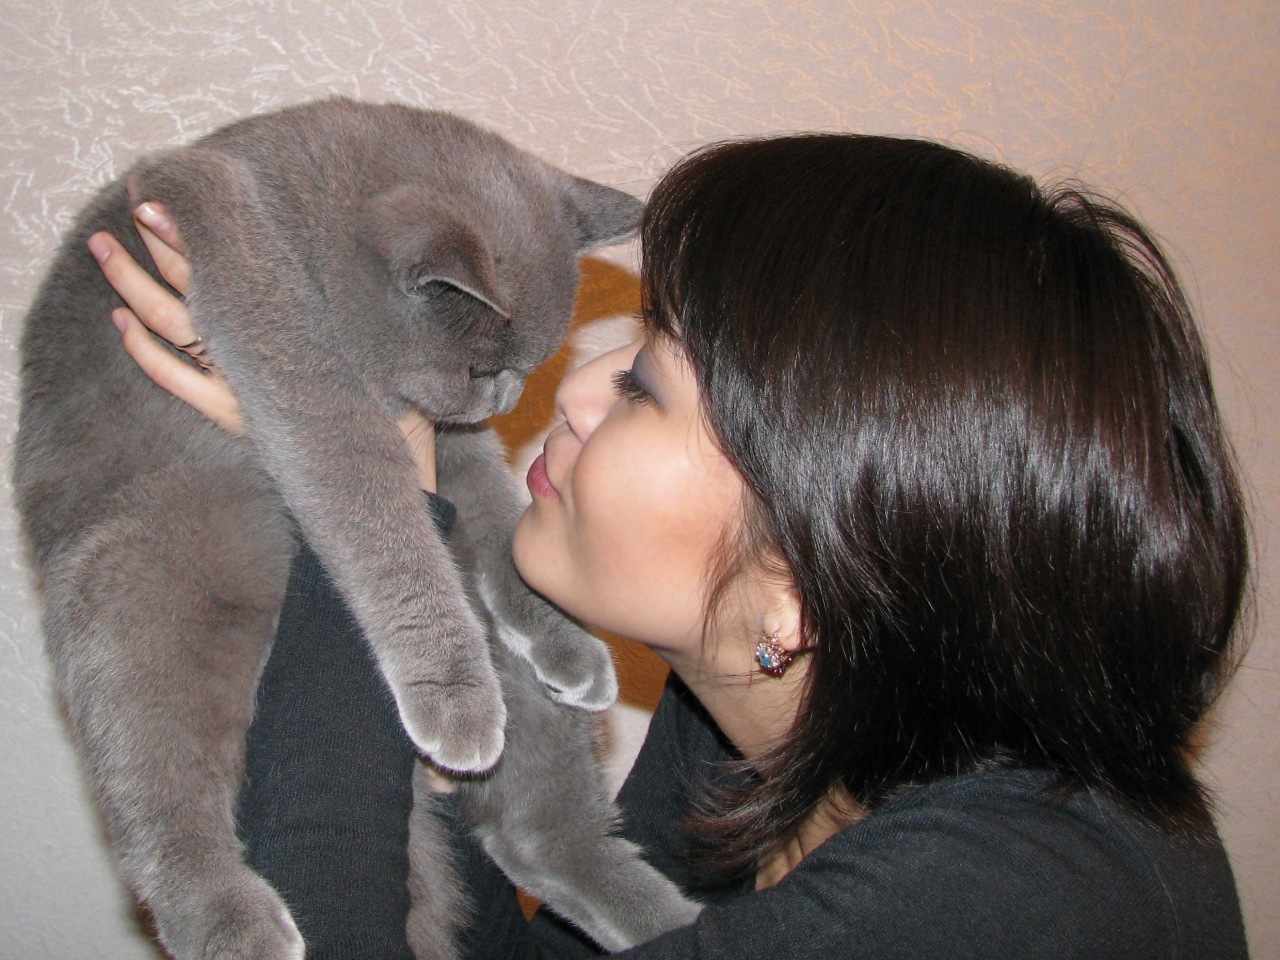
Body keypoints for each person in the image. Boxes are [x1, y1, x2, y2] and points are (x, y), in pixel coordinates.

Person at [91, 133, 1251, 958]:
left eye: (645, 381)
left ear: (800, 584)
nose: (575, 385)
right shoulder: (751, 733)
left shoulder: (995, 911)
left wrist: (350, 495)